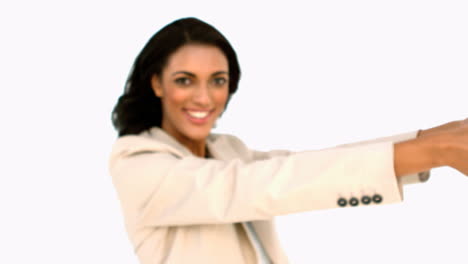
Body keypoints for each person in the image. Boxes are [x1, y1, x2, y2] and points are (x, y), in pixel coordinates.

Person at [109, 17, 468, 264]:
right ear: (156, 83)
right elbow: (265, 186)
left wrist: (435, 136)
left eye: (217, 80)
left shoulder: (227, 149)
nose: (204, 98)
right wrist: (435, 151)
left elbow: (304, 165)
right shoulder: (138, 162)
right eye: (185, 80)